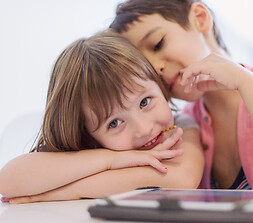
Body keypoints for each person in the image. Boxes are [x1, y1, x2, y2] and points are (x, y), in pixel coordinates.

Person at [109, 0, 253, 194]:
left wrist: (244, 81)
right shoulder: (186, 124)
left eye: (158, 43)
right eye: (145, 65)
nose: (156, 68)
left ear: (200, 18)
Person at [0, 31, 204, 204]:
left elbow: (183, 178)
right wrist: (112, 160)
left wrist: (69, 191)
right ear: (87, 135)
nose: (143, 129)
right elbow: (7, 182)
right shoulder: (97, 149)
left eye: (145, 102)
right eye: (114, 123)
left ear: (160, 87)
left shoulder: (181, 126)